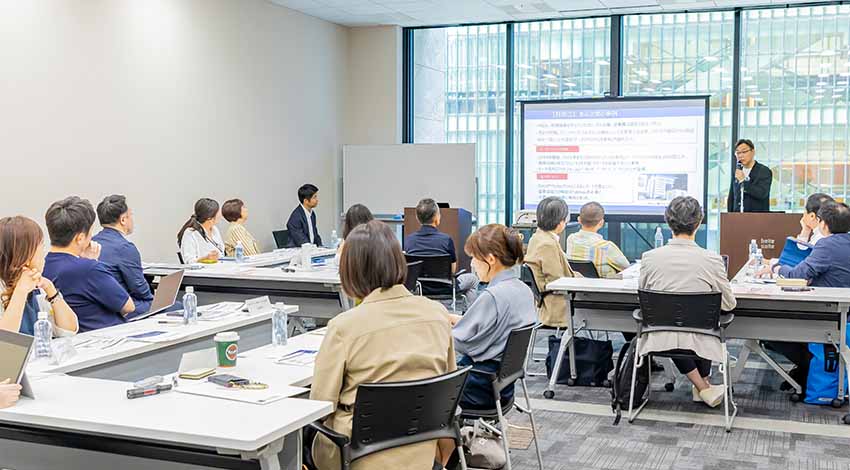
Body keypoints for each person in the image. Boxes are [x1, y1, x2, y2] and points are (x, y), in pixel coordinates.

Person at [309, 220, 455, 470]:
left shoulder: (344, 327)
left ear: (350, 271)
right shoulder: (438, 314)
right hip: (421, 452)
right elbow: (446, 390)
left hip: (356, 455)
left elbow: (319, 406)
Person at [639, 196, 736, 407]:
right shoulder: (711, 259)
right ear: (699, 222)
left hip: (658, 334)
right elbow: (729, 304)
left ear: (667, 222)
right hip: (703, 336)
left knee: (674, 324)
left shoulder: (649, 257)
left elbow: (644, 295)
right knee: (699, 320)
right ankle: (703, 387)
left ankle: (701, 387)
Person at [758, 201, 850, 394]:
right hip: (842, 314)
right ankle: (806, 370)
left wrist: (776, 268)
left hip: (827, 316)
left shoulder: (827, 245)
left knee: (768, 329)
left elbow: (797, 275)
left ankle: (807, 368)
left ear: (823, 224)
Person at [448, 224, 536, 410]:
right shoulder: (524, 290)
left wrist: (437, 326)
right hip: (504, 386)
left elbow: (461, 343)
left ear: (490, 259)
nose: (471, 264)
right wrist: (462, 321)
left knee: (420, 386)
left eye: (474, 258)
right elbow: (495, 330)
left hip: (477, 387)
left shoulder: (493, 296)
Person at [42, 197, 135, 332]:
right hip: (109, 338)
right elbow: (128, 306)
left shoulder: (43, 266)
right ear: (80, 238)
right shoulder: (88, 269)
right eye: (90, 233)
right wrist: (91, 263)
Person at [0, 216, 78, 335]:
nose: (44, 257)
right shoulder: (5, 289)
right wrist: (20, 291)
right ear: (25, 256)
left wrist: (51, 291)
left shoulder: (38, 288)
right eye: (41, 248)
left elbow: (69, 331)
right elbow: (5, 342)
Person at [92, 195, 154, 317]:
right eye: (131, 215)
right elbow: (140, 289)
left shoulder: (91, 243)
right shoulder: (125, 248)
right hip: (120, 307)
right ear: (123, 220)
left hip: (96, 306)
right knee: (175, 305)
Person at [525, 196, 576, 328]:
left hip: (550, 302)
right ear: (561, 223)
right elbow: (557, 281)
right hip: (558, 306)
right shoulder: (547, 244)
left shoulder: (537, 238)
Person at [566, 201, 630, 279]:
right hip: (604, 288)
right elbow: (627, 268)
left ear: (579, 220)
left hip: (578, 288)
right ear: (601, 223)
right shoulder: (606, 247)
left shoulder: (571, 239)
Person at [727, 139, 773, 212]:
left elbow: (762, 193)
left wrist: (743, 181)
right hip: (737, 218)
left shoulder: (764, 171)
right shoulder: (737, 172)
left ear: (753, 152)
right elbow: (732, 198)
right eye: (738, 153)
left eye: (744, 152)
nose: (741, 155)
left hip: (757, 219)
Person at [177, 198, 224, 264]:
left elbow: (222, 254)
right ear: (209, 218)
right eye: (218, 212)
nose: (220, 214)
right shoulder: (191, 233)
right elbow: (189, 262)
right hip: (203, 272)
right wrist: (205, 258)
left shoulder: (215, 230)